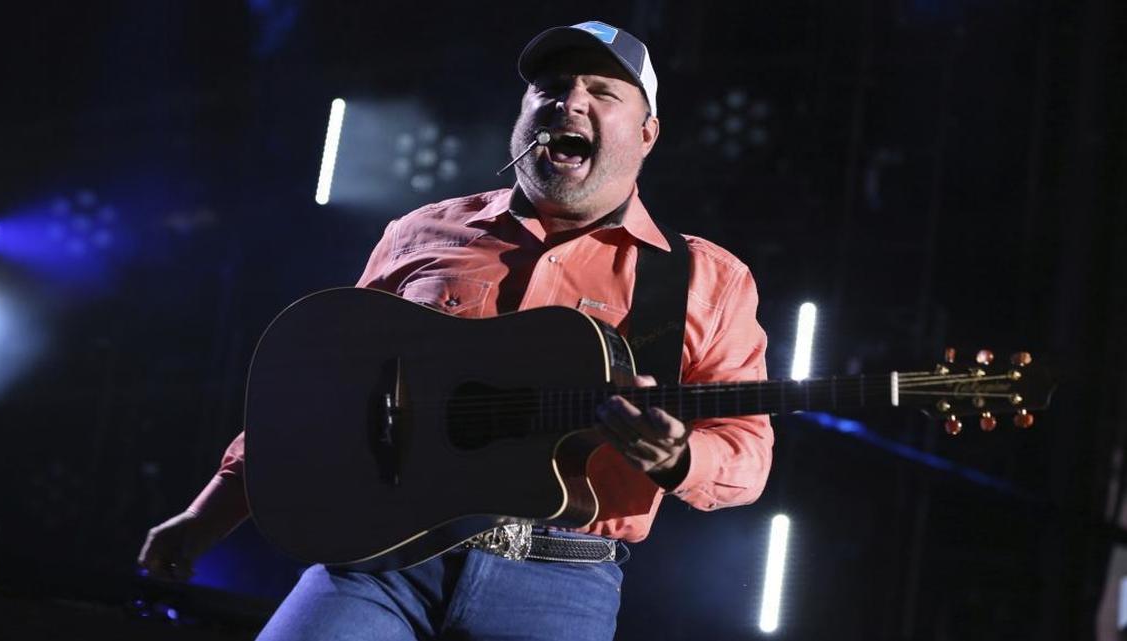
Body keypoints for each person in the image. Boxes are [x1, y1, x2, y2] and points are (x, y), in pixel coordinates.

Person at [139, 20, 774, 640]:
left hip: (558, 583)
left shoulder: (705, 280)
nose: (570, 101)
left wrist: (680, 457)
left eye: (602, 92)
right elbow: (323, 394)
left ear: (646, 134)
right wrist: (208, 516)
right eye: (550, 88)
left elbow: (747, 453)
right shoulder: (424, 232)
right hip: (380, 561)